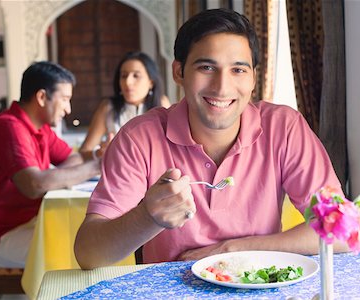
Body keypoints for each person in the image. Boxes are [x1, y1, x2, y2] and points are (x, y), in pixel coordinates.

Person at [74, 8, 346, 269]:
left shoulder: (284, 127)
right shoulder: (139, 137)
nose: (222, 87)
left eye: (238, 70)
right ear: (179, 72)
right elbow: (88, 254)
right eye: (206, 67)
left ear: (253, 78)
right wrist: (147, 217)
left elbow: (343, 228)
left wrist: (234, 250)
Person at [0, 61, 101, 268]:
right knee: (82, 250)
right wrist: (97, 166)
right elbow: (33, 186)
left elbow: (71, 159)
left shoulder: (40, 128)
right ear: (42, 97)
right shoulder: (8, 127)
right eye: (64, 99)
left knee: (89, 235)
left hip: (21, 224)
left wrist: (98, 155)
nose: (68, 109)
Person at [79, 51, 170, 160]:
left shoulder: (162, 104)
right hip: (118, 173)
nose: (128, 82)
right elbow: (84, 151)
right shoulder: (108, 108)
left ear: (151, 82)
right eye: (124, 76)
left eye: (136, 76)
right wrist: (100, 153)